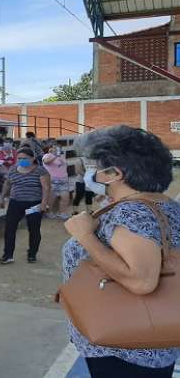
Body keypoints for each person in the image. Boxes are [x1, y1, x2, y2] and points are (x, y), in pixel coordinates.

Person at [63, 125, 180, 377]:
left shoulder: (132, 212)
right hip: (148, 337)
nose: (89, 171)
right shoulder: (158, 203)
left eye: (94, 166)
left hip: (124, 347)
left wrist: (85, 236)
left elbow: (141, 281)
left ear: (115, 173)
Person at [0, 148, 50, 264]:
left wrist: (44, 203)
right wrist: (2, 198)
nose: (21, 160)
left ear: (32, 158)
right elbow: (7, 183)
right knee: (9, 229)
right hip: (15, 203)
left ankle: (32, 254)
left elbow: (46, 188)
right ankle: (8, 255)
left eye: (25, 158)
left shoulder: (40, 171)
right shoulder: (12, 169)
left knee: (33, 229)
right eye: (19, 158)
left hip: (33, 204)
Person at [42, 148, 71, 220]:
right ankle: (49, 212)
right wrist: (55, 156)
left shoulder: (61, 156)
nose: (56, 149)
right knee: (52, 198)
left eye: (57, 148)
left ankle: (62, 213)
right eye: (54, 148)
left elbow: (64, 165)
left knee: (65, 197)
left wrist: (59, 157)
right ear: (49, 150)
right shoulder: (46, 156)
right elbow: (46, 162)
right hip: (52, 181)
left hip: (63, 181)